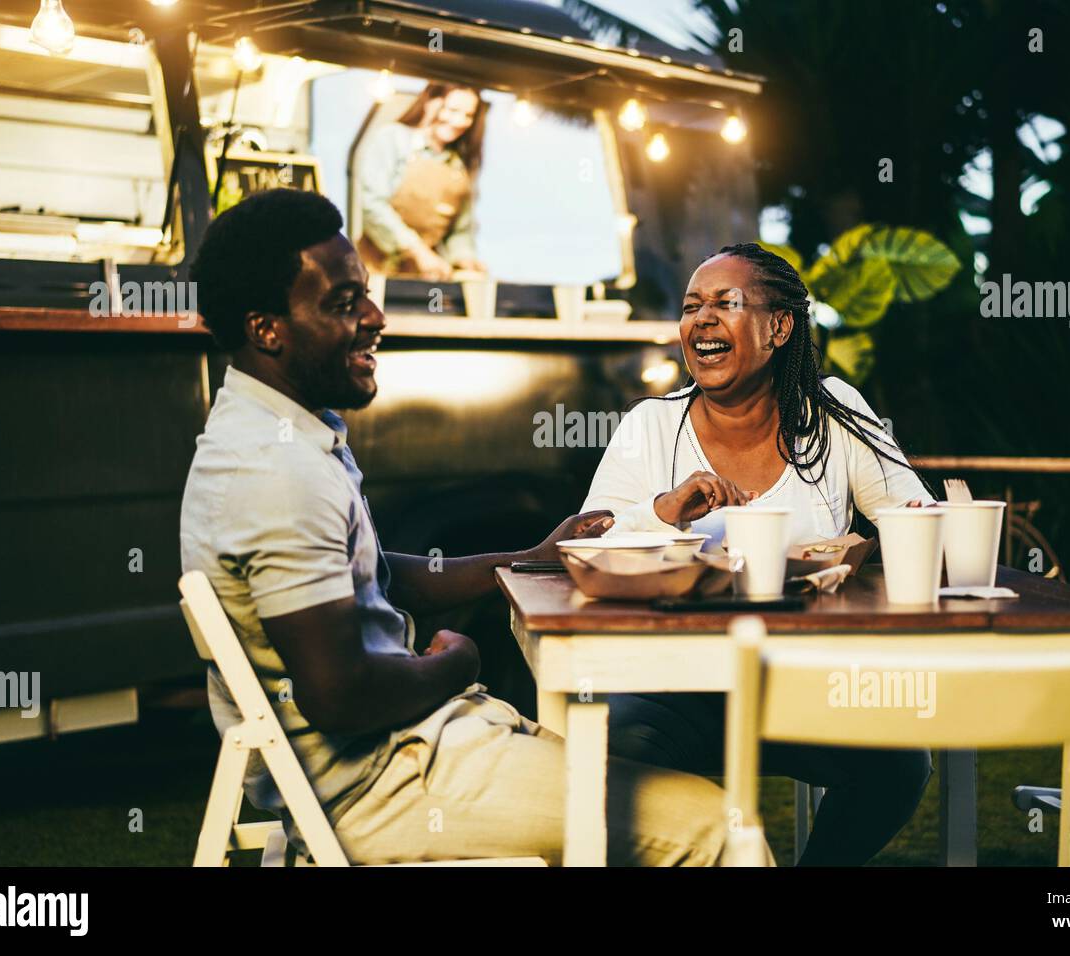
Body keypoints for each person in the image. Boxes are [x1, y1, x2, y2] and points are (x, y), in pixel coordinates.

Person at [180, 189, 756, 866]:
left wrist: (532, 558)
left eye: (364, 294)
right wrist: (460, 664)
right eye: (342, 304)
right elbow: (340, 695)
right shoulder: (276, 473)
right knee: (718, 826)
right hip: (387, 787)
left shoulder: (270, 435)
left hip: (416, 749)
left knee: (632, 768)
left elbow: (382, 575)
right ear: (266, 329)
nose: (374, 318)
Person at [582, 241, 935, 866]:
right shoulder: (650, 426)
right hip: (672, 689)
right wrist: (664, 512)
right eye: (692, 307)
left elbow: (915, 522)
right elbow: (592, 549)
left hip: (808, 684)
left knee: (899, 759)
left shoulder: (834, 413)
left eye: (726, 303)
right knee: (609, 748)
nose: (701, 321)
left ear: (779, 326)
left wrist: (893, 536)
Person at [356, 82, 485, 280]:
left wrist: (465, 259)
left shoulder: (458, 166)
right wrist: (417, 251)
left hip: (425, 278)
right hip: (374, 270)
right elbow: (372, 204)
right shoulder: (393, 138)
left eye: (468, 115)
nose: (459, 121)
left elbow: (459, 230)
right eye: (452, 110)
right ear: (431, 102)